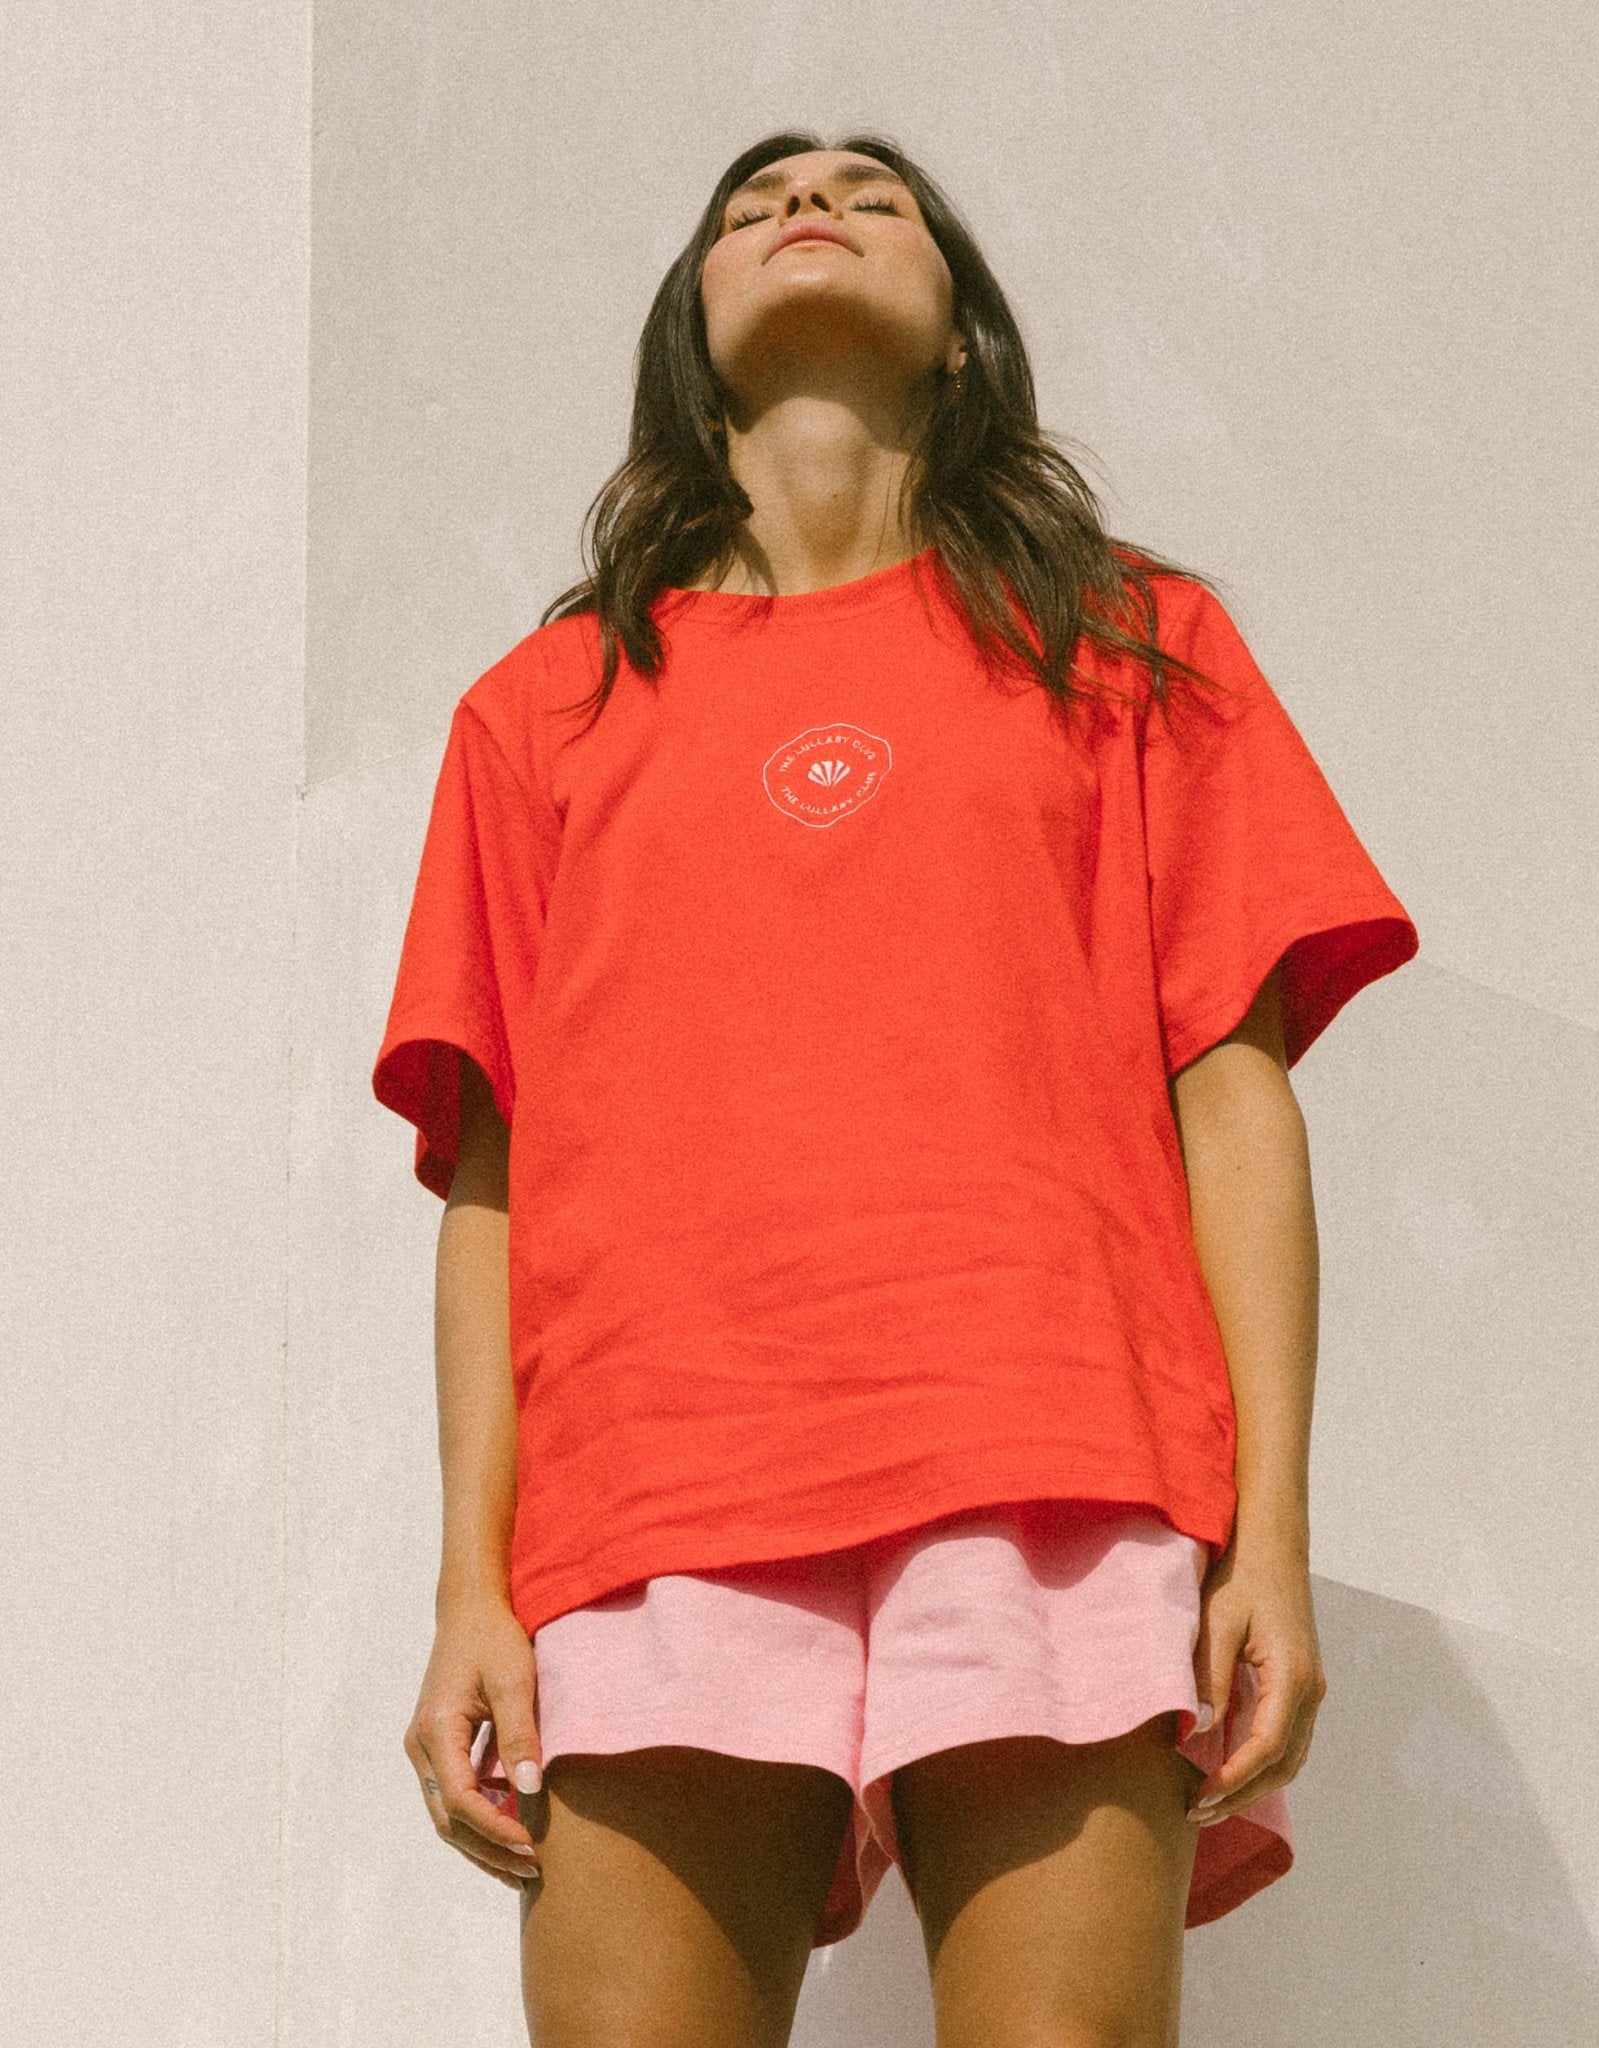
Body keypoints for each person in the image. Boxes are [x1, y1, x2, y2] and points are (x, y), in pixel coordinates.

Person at [372, 129, 1418, 2048]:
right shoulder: (541, 712)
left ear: (959, 334)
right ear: (690, 332)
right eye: (752, 203)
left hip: (1054, 1452)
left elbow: (1233, 1100)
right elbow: (488, 1180)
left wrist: (1266, 1531)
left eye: (874, 193)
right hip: (656, 1482)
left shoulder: (1128, 645)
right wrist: (468, 1591)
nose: (808, 203)